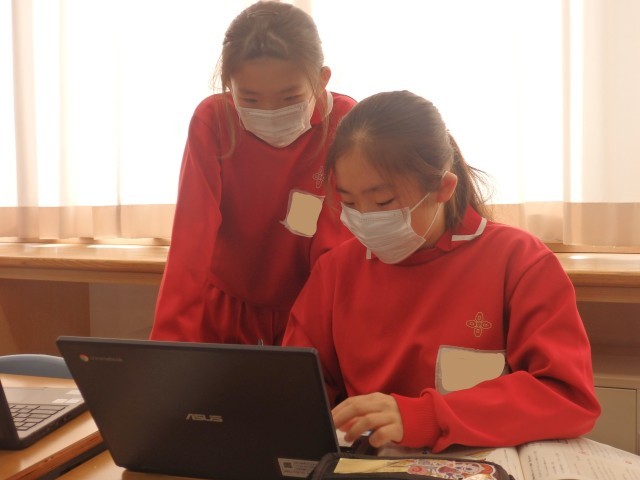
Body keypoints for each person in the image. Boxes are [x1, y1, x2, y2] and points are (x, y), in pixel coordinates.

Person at [283, 90, 601, 452]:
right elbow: (296, 388)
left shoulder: (518, 260)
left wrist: (426, 416)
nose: (365, 220)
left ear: (443, 188)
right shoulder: (336, 270)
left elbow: (566, 395)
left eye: (384, 202)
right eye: (350, 202)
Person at [150, 2, 355, 345]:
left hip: (311, 305)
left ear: (322, 80)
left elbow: (335, 250)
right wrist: (168, 348)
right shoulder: (213, 121)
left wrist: (316, 333)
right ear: (228, 85)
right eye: (250, 100)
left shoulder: (345, 123)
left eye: (290, 98)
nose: (270, 112)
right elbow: (191, 241)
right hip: (228, 309)